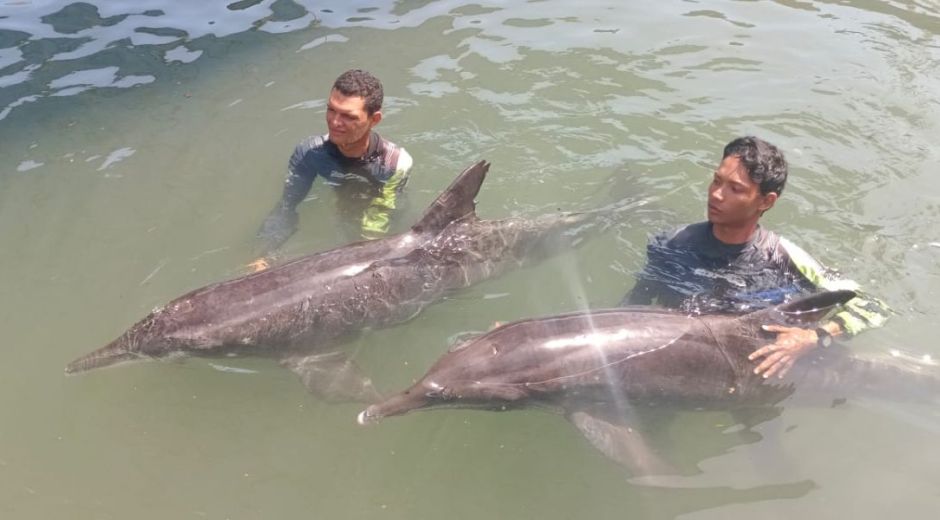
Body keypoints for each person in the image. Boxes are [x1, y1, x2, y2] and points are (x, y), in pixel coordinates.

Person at [622, 136, 889, 379]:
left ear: (766, 202)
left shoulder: (787, 258)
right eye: (717, 180)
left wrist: (813, 336)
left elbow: (873, 306)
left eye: (735, 189)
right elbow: (634, 309)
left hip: (757, 368)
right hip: (680, 365)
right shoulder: (671, 244)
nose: (716, 194)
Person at [252, 69, 414, 270]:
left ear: (375, 119)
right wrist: (265, 254)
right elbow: (286, 206)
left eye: (348, 116)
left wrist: (363, 253)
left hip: (378, 217)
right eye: (331, 110)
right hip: (339, 205)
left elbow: (381, 215)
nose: (335, 122)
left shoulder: (395, 163)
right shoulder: (311, 153)